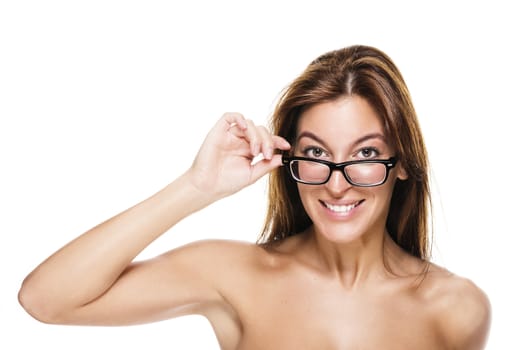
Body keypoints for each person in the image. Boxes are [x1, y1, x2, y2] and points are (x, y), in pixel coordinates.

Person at [18, 45, 491, 349]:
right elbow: (47, 300)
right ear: (290, 161)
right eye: (316, 153)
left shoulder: (457, 308)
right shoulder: (233, 276)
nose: (337, 183)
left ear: (402, 162)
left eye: (366, 152)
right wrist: (196, 187)